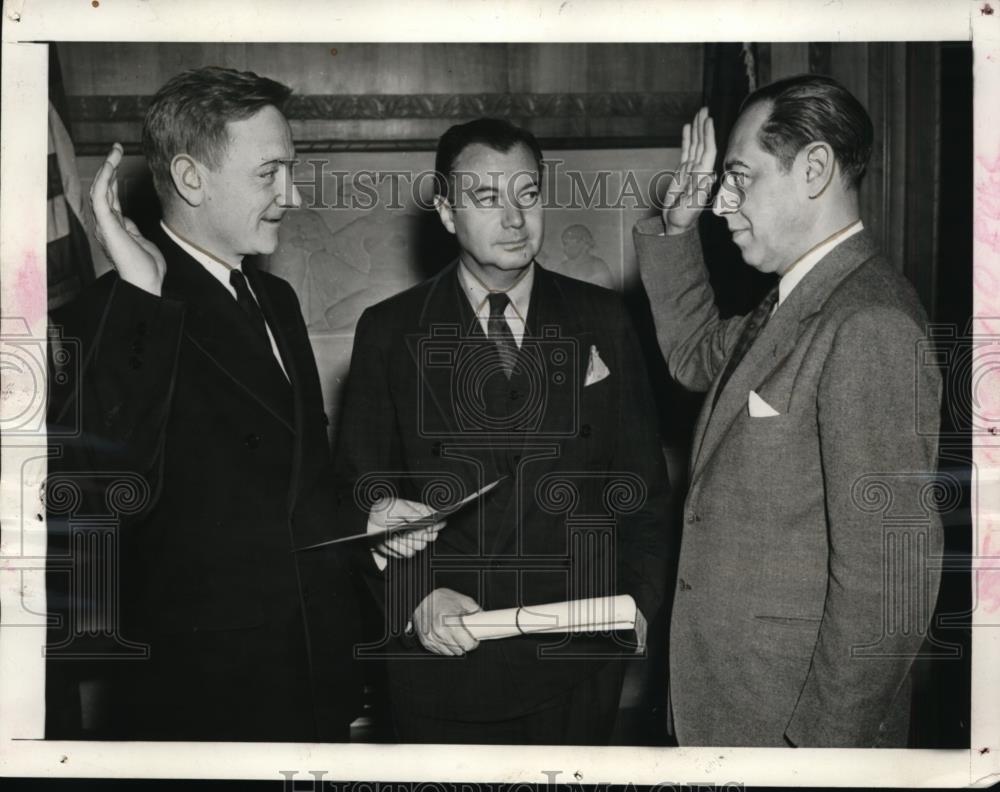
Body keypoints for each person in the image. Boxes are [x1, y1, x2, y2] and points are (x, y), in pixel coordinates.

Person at [46, 66, 363, 741]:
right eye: (269, 173)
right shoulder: (111, 315)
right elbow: (95, 511)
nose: (293, 195)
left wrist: (370, 513)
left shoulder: (275, 300)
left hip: (315, 676)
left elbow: (296, 481)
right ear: (192, 179)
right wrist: (143, 300)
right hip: (206, 701)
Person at [333, 118, 672, 744]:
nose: (515, 218)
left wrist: (638, 604)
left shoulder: (604, 319)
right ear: (445, 212)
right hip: (444, 654)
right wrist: (415, 599)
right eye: (488, 198)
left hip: (577, 653)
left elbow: (643, 488)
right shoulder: (389, 330)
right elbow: (361, 491)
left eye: (528, 192)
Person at [633, 74, 943, 747]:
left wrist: (818, 754)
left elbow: (888, 582)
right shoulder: (795, 302)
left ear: (815, 169)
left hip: (794, 735)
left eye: (740, 177)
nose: (722, 201)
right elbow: (693, 354)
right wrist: (677, 228)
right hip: (735, 711)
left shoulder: (867, 322)